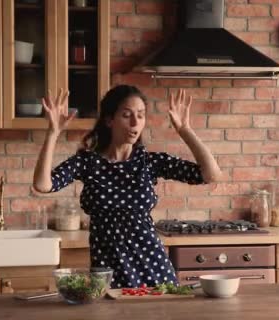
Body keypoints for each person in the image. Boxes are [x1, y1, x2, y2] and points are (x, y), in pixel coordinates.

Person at [33, 85, 222, 288]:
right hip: (108, 268)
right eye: (126, 115)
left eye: (140, 116)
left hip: (153, 265)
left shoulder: (149, 162)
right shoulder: (87, 162)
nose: (135, 122)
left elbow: (211, 175)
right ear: (109, 120)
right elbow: (43, 185)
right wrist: (53, 133)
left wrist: (185, 130)